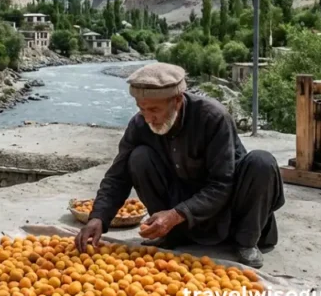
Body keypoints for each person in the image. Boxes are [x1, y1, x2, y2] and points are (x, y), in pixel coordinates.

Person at [74, 62, 284, 268]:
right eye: (141, 109)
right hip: (183, 211)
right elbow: (117, 177)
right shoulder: (140, 124)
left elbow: (222, 184)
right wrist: (98, 218)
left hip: (227, 207)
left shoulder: (213, 118)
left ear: (177, 101)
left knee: (262, 162)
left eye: (154, 109)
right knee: (139, 157)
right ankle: (169, 234)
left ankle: (247, 242)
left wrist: (176, 214)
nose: (148, 118)